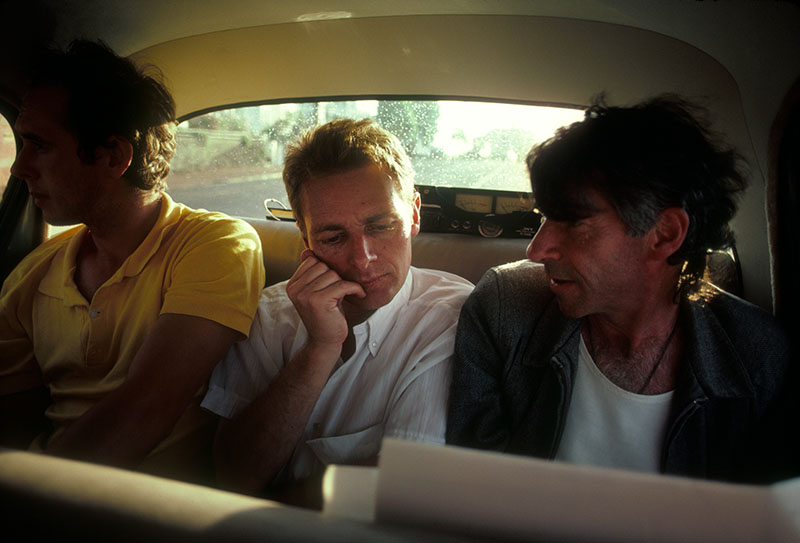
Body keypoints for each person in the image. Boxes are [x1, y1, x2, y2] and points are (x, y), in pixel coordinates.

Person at [446, 95, 797, 484]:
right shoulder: (502, 310)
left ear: (664, 235)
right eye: (544, 217)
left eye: (573, 223)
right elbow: (475, 491)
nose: (536, 249)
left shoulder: (759, 358)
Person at [0, 40, 265, 482]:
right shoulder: (33, 274)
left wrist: (31, 499)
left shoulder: (214, 243)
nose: (19, 167)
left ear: (115, 156)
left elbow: (145, 409)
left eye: (40, 145)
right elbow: (12, 424)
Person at [203, 118, 473, 496]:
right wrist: (320, 348)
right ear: (305, 234)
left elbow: (406, 484)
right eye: (333, 237)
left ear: (413, 213)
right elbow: (234, 476)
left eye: (380, 227)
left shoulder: (449, 316)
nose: (362, 260)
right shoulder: (269, 313)